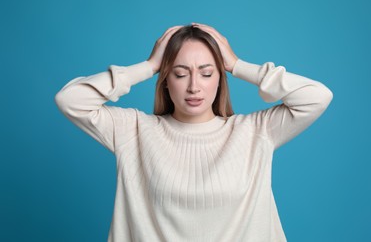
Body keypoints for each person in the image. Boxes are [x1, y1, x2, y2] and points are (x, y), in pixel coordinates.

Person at [55, 23, 333, 242]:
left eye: (206, 72)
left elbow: (317, 96)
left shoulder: (254, 132)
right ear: (165, 80)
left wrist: (237, 65)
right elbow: (70, 100)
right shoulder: (134, 131)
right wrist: (149, 66)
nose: (194, 86)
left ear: (220, 79)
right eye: (179, 73)